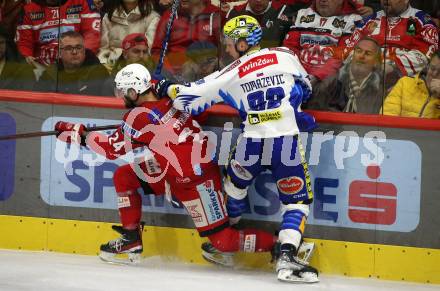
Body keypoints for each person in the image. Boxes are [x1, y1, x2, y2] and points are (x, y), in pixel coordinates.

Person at [53, 63, 278, 266]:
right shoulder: (172, 96)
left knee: (223, 241)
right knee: (125, 176)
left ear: (134, 91)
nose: (121, 97)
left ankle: (280, 246)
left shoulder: (138, 117)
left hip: (197, 182)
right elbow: (202, 114)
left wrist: (78, 134)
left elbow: (111, 149)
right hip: (173, 169)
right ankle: (131, 238)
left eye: (123, 91)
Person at [153, 15, 319, 283]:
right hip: (285, 142)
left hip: (251, 143)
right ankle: (287, 256)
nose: (227, 49)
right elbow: (305, 87)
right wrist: (296, 109)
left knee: (232, 187)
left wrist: (164, 86)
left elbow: (188, 99)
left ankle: (223, 240)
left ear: (243, 44)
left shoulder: (229, 73)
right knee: (296, 203)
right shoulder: (286, 55)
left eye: (230, 44)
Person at [344, 0, 439, 77]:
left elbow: (425, 54)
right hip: (364, 74)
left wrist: (393, 67)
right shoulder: (369, 20)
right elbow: (349, 48)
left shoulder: (421, 19)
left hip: (401, 78)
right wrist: (363, 65)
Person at [283, 0, 363, 85]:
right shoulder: (302, 14)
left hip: (329, 80)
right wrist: (296, 73)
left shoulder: (353, 20)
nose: (323, 1)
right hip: (298, 74)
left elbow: (342, 57)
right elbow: (290, 48)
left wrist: (317, 77)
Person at [307, 37, 389, 113]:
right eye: (358, 51)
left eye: (368, 53)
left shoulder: (381, 92)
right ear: (352, 56)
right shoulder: (331, 83)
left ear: (376, 62)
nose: (361, 56)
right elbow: (314, 116)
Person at [15, 0, 101, 70]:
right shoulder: (28, 10)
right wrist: (27, 58)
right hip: (41, 67)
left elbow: (92, 36)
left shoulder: (84, 2)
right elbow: (24, 44)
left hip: (77, 62)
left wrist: (80, 58)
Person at [150, 0, 221, 78]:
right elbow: (157, 51)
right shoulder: (170, 15)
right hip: (175, 76)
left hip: (208, 75)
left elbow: (225, 51)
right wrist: (170, 73)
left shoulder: (216, 15)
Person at [35, 31, 109, 96]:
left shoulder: (98, 73)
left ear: (84, 50)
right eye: (69, 48)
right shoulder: (51, 73)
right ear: (60, 52)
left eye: (78, 47)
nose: (74, 52)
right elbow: (37, 103)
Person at [97, 0, 159, 71]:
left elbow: (147, 52)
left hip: (141, 71)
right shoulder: (108, 17)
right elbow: (103, 51)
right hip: (111, 69)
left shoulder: (153, 18)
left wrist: (116, 53)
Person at [382, 50, 440, 118]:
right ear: (427, 67)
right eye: (432, 68)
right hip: (400, 128)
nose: (434, 74)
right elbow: (387, 117)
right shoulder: (405, 83)